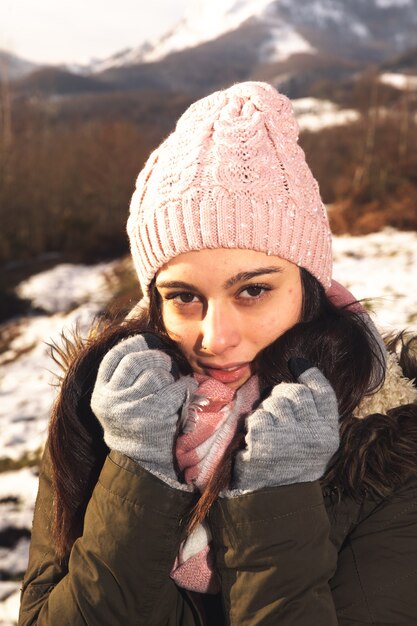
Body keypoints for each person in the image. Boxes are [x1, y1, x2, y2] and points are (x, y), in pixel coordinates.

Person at [18, 82, 417, 626]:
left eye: (253, 290)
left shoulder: (392, 444)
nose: (215, 337)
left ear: (309, 288)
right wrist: (137, 468)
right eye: (184, 297)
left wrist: (279, 493)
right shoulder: (106, 411)